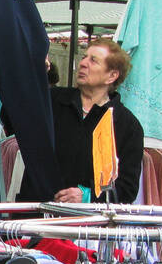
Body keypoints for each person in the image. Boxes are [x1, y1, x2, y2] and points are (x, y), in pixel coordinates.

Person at [46, 39, 144, 203]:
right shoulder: (52, 101)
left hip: (88, 217)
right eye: (84, 57)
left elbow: (127, 189)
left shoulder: (127, 126)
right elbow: (11, 119)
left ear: (112, 76)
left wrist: (88, 196)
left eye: (93, 60)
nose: (83, 63)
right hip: (37, 211)